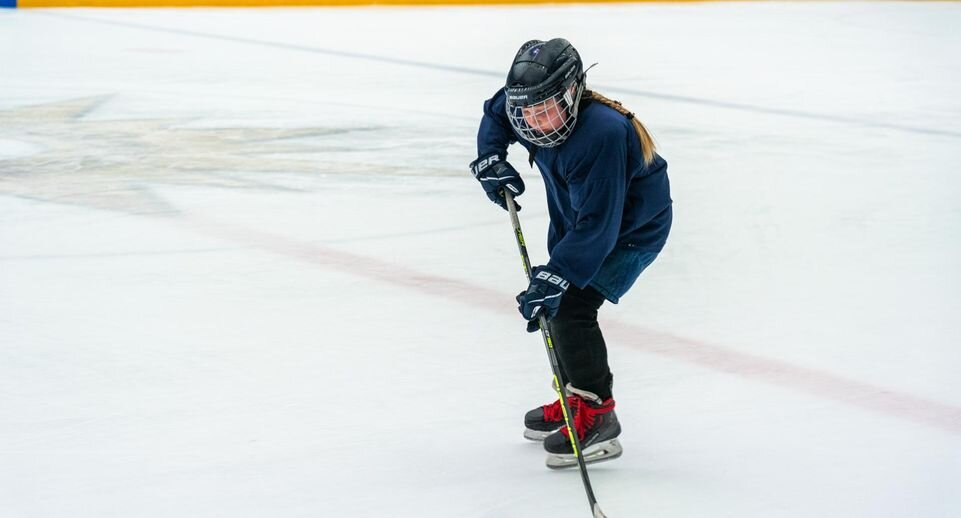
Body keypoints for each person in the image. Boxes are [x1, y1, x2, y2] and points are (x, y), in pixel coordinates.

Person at [469, 38, 673, 467]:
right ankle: (575, 398)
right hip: (579, 216)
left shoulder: (601, 133)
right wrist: (490, 157)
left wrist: (560, 273)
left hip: (630, 229)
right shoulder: (527, 108)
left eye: (547, 109)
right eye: (528, 113)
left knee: (570, 306)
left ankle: (599, 416)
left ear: (574, 91)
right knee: (557, 298)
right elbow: (497, 112)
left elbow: (600, 226)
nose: (538, 123)